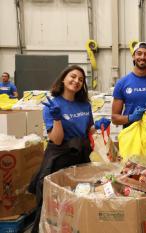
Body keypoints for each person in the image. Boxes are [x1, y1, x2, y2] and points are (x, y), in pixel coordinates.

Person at [28, 65, 110, 233]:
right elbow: (56, 140)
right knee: (51, 204)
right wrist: (57, 118)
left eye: (81, 79)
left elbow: (88, 130)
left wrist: (99, 125)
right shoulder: (52, 105)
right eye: (73, 77)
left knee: (77, 201)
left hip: (80, 158)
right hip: (59, 158)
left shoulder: (84, 105)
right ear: (63, 79)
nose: (77, 81)